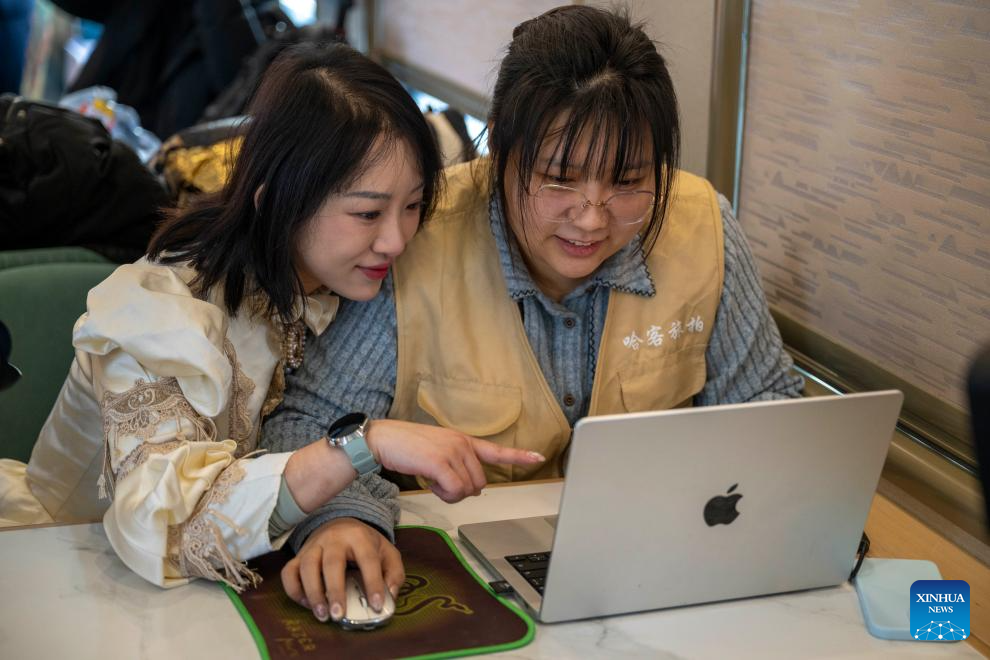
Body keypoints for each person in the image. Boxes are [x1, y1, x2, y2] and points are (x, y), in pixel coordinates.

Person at [262, 4, 804, 617]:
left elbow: (768, 408)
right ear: (501, 144)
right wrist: (343, 521)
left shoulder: (701, 223)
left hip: (659, 570)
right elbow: (307, 422)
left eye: (628, 180)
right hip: (460, 583)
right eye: (559, 179)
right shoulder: (416, 239)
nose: (591, 218)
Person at [0, 41, 543, 616]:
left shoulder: (340, 281)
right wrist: (367, 443)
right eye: (367, 213)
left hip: (231, 587)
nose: (396, 239)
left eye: (413, 205)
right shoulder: (161, 311)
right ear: (277, 200)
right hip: (69, 570)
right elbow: (168, 527)